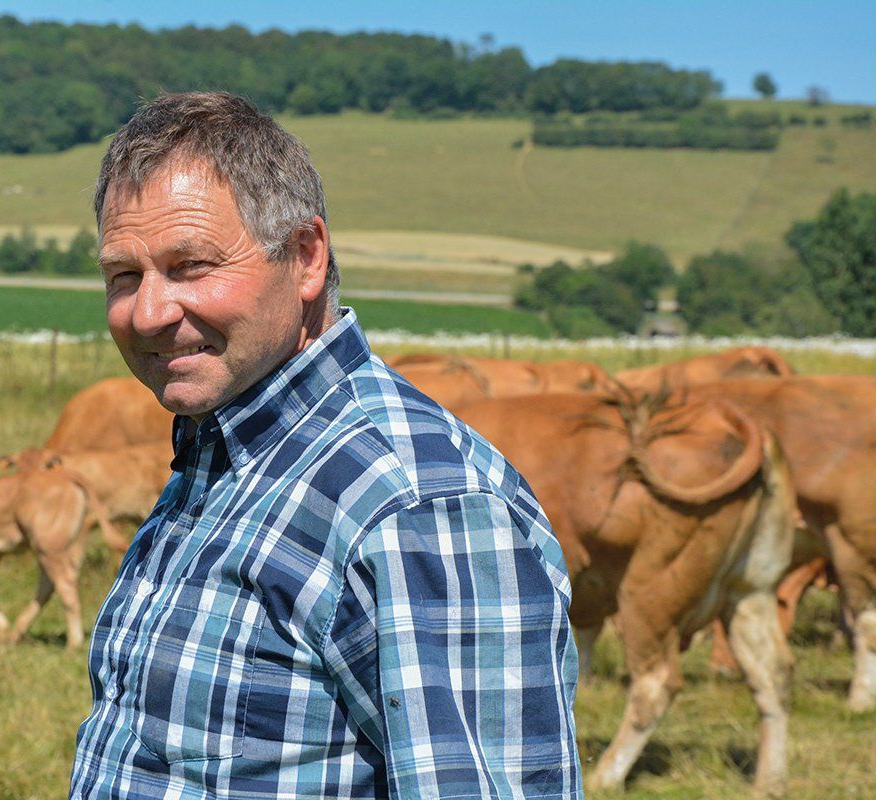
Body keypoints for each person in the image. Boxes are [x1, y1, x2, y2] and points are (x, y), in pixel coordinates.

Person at [69, 92, 581, 799]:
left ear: (306, 257)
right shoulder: (223, 455)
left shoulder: (415, 503)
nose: (149, 312)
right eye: (124, 276)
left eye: (191, 266)